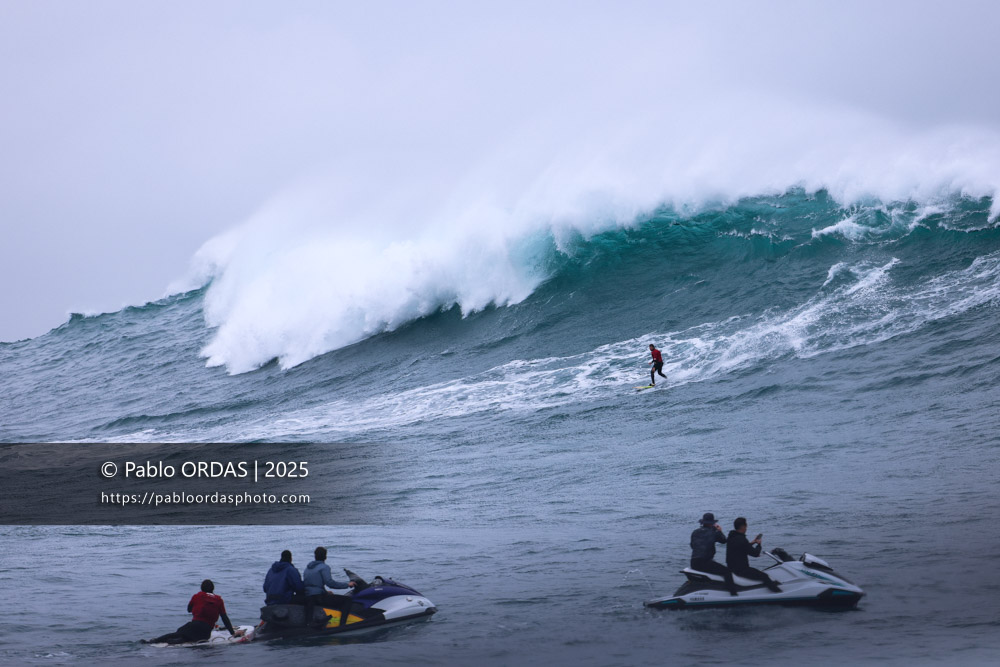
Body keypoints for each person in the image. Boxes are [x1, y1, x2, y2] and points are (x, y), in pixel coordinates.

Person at [144, 579, 244, 644]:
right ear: (213, 589)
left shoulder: (197, 596)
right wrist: (232, 633)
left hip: (192, 625)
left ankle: (153, 641)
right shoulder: (219, 600)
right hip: (205, 631)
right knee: (189, 638)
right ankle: (175, 641)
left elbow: (189, 610)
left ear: (201, 588)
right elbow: (224, 618)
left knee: (177, 633)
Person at [303, 546, 357, 627]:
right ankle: (342, 625)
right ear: (325, 556)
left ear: (315, 556)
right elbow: (330, 583)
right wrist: (347, 584)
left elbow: (314, 584)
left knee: (331, 596)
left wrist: (325, 592)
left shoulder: (308, 568)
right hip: (318, 598)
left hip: (309, 597)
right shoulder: (324, 567)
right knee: (347, 600)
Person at [726, 517, 781, 592]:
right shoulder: (742, 539)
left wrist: (753, 542)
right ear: (743, 526)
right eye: (746, 526)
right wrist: (758, 545)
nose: (746, 528)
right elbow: (755, 554)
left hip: (731, 568)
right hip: (741, 570)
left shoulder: (731, 537)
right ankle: (778, 592)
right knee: (764, 576)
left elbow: (741, 547)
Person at [690, 512, 738, 596]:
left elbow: (692, 546)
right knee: (727, 572)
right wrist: (719, 531)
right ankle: (733, 594)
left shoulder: (695, 532)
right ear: (712, 523)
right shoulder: (714, 533)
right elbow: (724, 540)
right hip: (705, 562)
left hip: (693, 562)